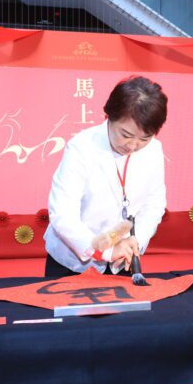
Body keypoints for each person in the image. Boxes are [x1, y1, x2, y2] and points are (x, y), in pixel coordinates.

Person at [45, 75, 168, 277]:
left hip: (124, 259)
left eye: (144, 138)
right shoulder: (81, 147)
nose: (133, 146)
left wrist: (135, 242)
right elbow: (63, 214)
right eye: (126, 135)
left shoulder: (153, 150)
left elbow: (153, 205)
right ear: (108, 117)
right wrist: (106, 251)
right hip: (74, 262)